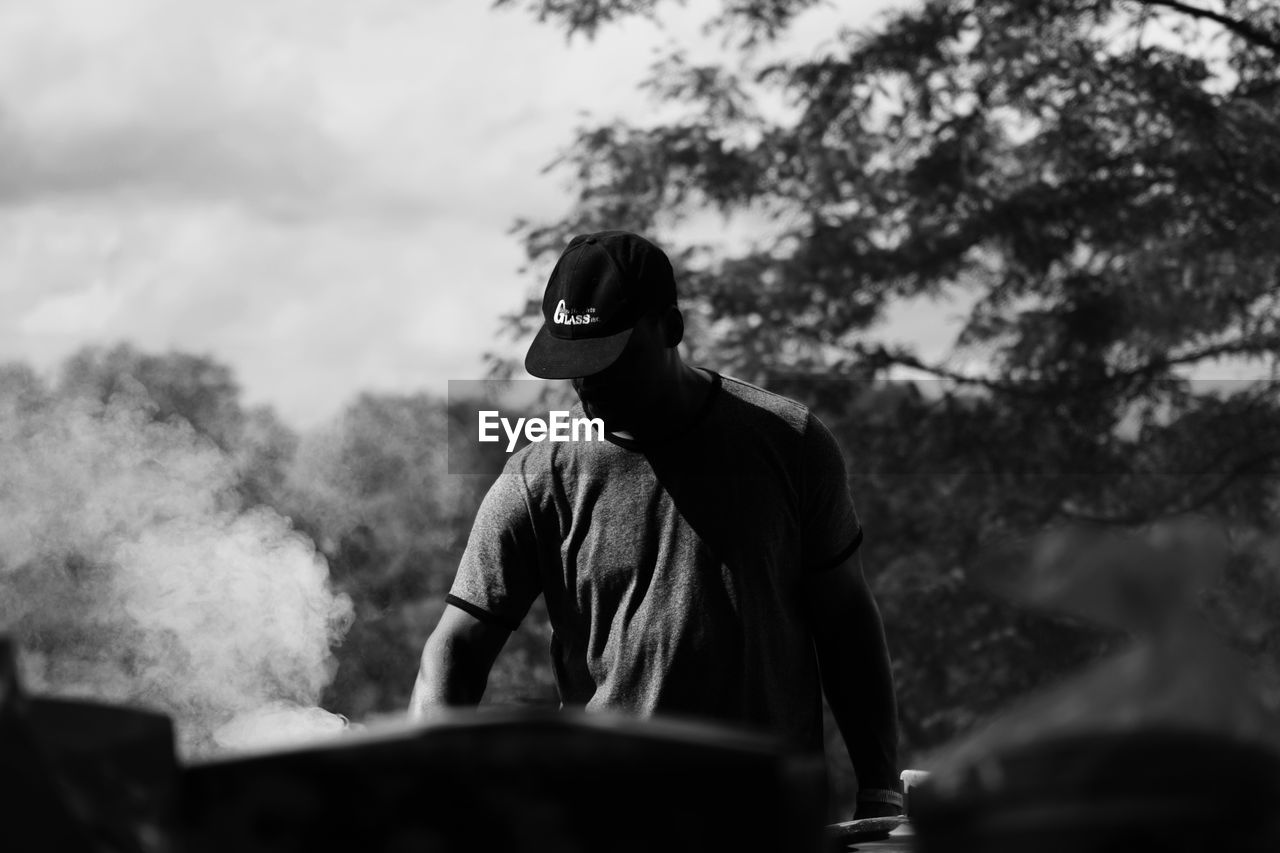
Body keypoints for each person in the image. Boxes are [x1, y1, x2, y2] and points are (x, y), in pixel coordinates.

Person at [410, 230, 901, 818]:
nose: (588, 385)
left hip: (768, 819)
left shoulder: (788, 445)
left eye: (608, 360)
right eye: (575, 365)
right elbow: (456, 647)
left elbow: (845, 619)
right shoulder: (538, 478)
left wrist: (880, 787)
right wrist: (426, 793)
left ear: (670, 327)